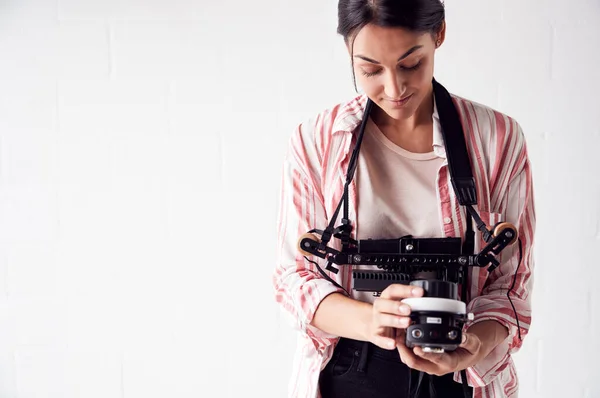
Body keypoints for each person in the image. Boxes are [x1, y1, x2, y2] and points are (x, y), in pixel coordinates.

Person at [272, 1, 535, 397]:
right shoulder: (315, 142)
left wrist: (474, 344)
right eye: (370, 70)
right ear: (348, 52)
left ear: (439, 35)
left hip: (463, 376)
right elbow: (294, 279)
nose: (394, 89)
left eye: (411, 64)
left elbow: (511, 288)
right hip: (351, 370)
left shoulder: (498, 140)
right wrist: (371, 319)